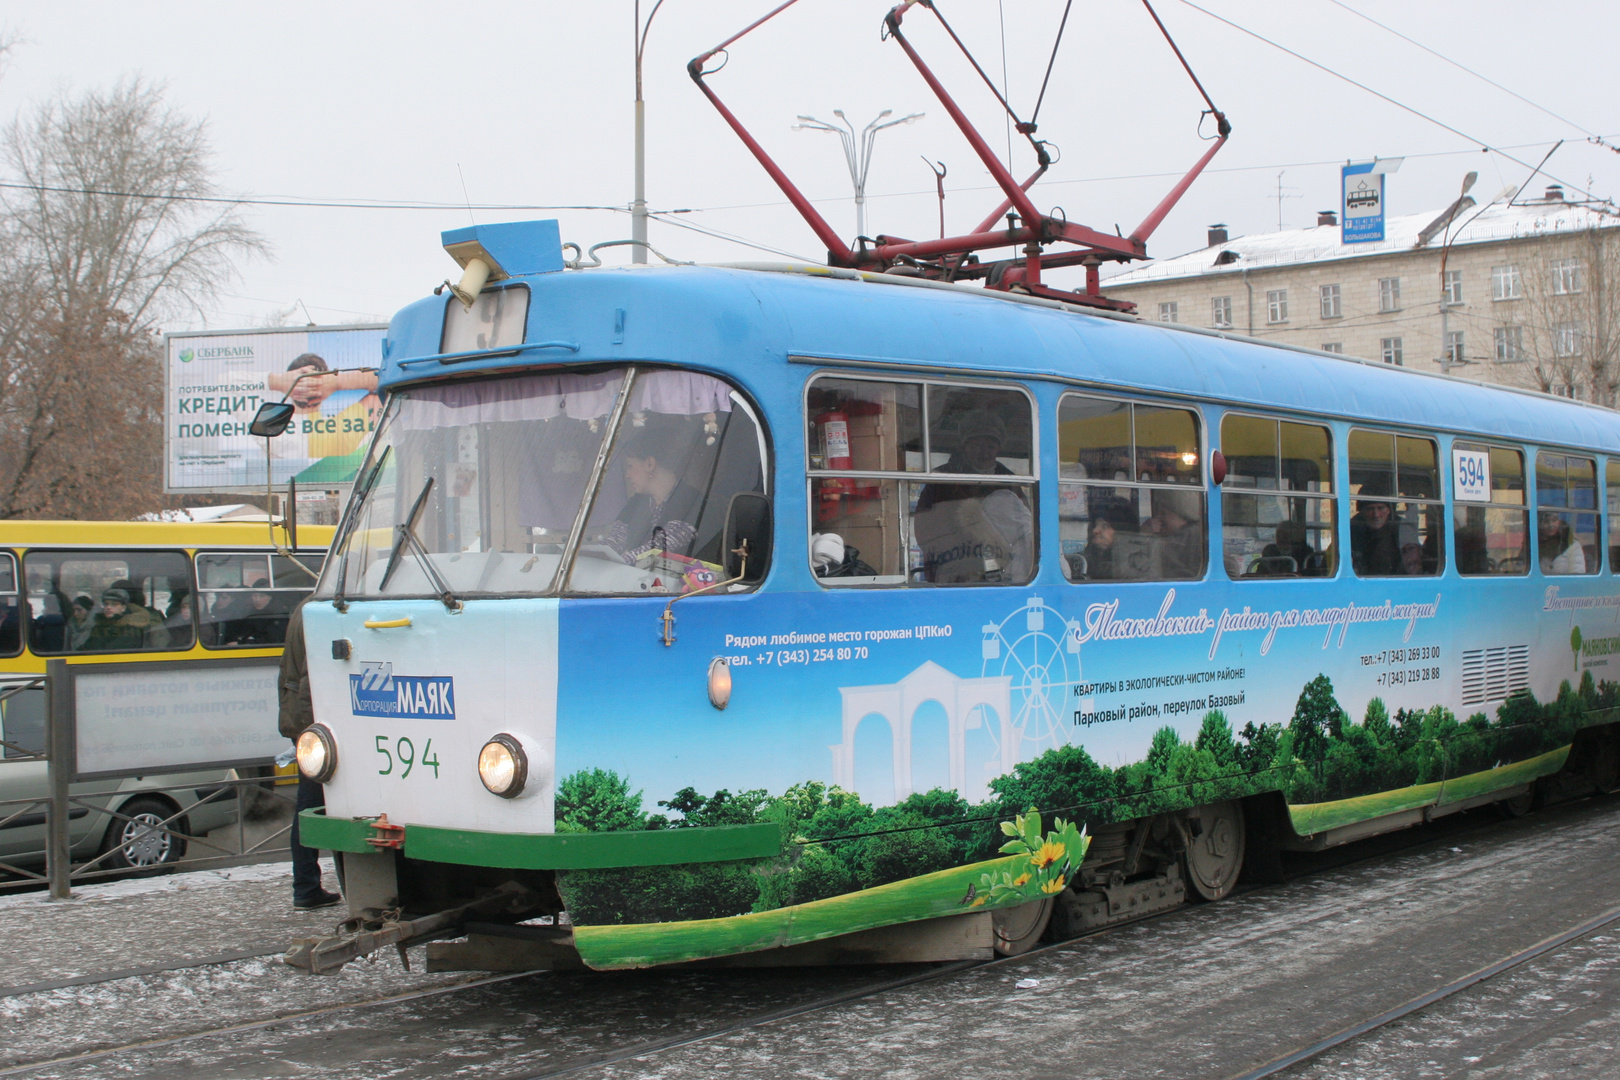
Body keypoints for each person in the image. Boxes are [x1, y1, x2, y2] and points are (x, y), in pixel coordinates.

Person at [913, 411, 1033, 583]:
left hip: (1001, 569)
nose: (983, 452)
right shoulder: (941, 478)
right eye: (977, 445)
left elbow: (1025, 525)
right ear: (964, 445)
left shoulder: (1009, 479)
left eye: (990, 447)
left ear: (999, 448)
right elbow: (924, 526)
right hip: (951, 567)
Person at [278, 599, 341, 910]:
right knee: (314, 805)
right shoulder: (319, 609)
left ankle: (307, 885)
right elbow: (308, 681)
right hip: (315, 725)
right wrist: (312, 730)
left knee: (312, 804)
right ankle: (306, 886)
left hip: (305, 722)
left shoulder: (305, 606)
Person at [605, 421, 704, 562]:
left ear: (650, 464)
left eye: (630, 466)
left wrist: (616, 561)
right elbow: (615, 541)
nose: (627, 474)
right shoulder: (636, 503)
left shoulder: (691, 501)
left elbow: (658, 549)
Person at [84, 587, 169, 651]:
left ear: (123, 608)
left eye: (114, 604)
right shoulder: (98, 626)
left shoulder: (131, 628)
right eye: (106, 604)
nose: (109, 607)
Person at [1350, 496, 1403, 576]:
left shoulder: (1402, 529)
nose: (1376, 515)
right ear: (1362, 512)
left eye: (1381, 508)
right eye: (1370, 509)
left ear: (1389, 510)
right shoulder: (1351, 530)